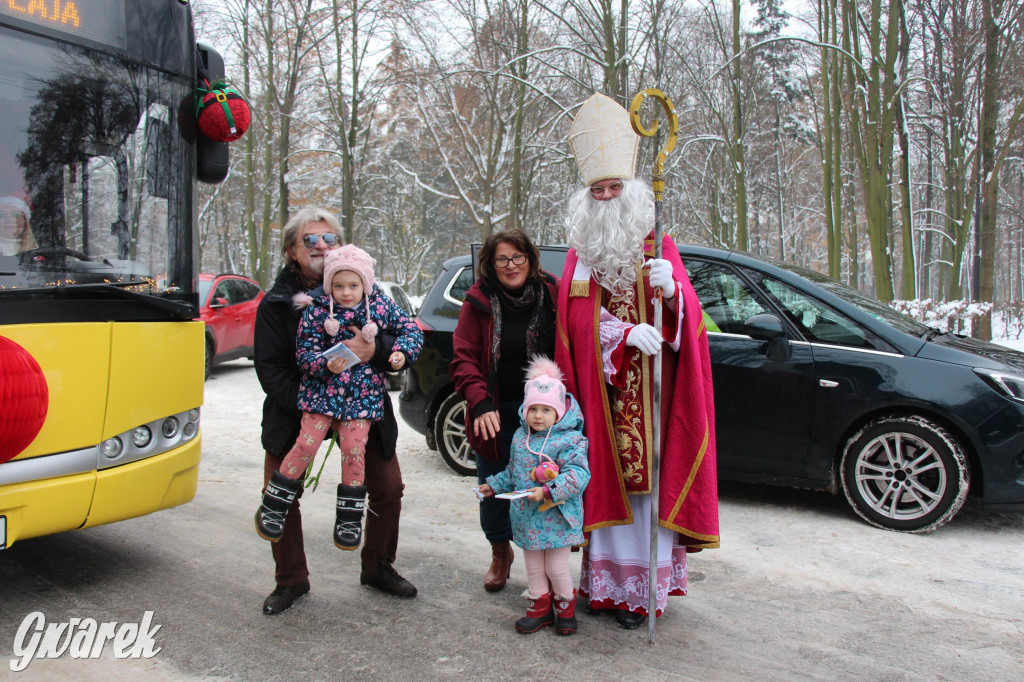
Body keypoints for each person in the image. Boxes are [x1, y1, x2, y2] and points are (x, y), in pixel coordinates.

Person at [555, 93, 720, 629]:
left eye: (613, 187)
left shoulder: (659, 246)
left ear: (631, 191)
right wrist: (622, 333)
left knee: (648, 489)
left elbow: (691, 330)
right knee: (606, 486)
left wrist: (672, 295)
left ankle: (640, 594)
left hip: (651, 398)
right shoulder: (581, 258)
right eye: (597, 190)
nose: (605, 196)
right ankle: (604, 588)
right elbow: (573, 328)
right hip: (602, 398)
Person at [253, 207, 418, 615]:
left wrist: (380, 351)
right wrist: (317, 401)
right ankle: (290, 580)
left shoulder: (370, 296)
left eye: (329, 239)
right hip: (299, 408)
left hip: (361, 405)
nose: (322, 246)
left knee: (387, 487)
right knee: (281, 487)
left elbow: (400, 338)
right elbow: (271, 370)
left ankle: (378, 566)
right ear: (292, 250)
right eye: (310, 240)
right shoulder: (277, 303)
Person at [450, 229, 559, 592]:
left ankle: (543, 562)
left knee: (542, 486)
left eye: (518, 257)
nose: (511, 266)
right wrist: (479, 402)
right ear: (490, 264)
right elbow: (464, 356)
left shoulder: (552, 293)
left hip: (545, 412)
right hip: (495, 408)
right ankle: (500, 552)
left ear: (530, 259)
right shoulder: (478, 300)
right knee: (493, 485)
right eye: (502, 259)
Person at [477, 356, 589, 636]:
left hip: (558, 518)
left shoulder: (571, 440)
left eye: (546, 410)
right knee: (534, 566)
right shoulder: (519, 438)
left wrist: (549, 489)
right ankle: (539, 609)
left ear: (559, 412)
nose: (538, 415)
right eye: (533, 409)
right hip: (528, 519)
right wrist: (493, 485)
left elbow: (578, 475)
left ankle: (565, 609)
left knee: (556, 565)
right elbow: (514, 472)